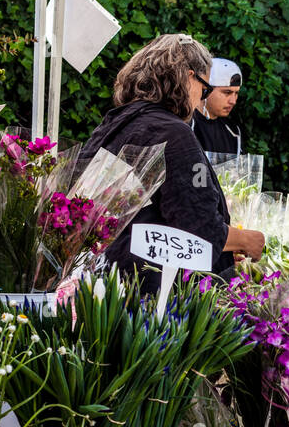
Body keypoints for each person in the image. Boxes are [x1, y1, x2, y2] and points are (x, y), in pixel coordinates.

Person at [79, 35, 264, 293]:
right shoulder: (175, 134)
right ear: (189, 78)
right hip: (154, 293)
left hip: (105, 280)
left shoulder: (114, 123)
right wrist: (246, 240)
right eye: (205, 89)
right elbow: (200, 225)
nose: (201, 99)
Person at [191, 58, 244, 157]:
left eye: (236, 93)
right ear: (205, 89)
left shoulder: (233, 131)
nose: (233, 101)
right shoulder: (186, 126)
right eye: (227, 92)